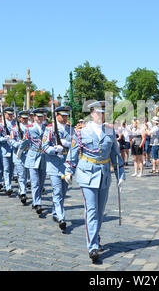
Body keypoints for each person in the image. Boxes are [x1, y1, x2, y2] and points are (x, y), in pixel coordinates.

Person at [64, 101, 125, 264]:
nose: (101, 115)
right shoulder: (81, 132)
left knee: (99, 211)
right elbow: (73, 153)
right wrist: (69, 170)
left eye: (103, 112)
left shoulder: (110, 132)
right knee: (91, 210)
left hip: (104, 175)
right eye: (98, 112)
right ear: (92, 113)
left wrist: (120, 174)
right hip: (86, 174)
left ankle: (95, 234)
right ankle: (92, 247)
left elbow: (115, 155)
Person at [42, 106, 73, 231]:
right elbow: (44, 147)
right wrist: (54, 150)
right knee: (57, 191)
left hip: (66, 165)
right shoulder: (49, 129)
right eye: (62, 115)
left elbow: (76, 145)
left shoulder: (71, 130)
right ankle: (61, 217)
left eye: (66, 115)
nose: (65, 118)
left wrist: (68, 144)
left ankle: (56, 211)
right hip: (54, 165)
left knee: (63, 192)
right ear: (56, 116)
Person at [24, 108, 48, 215]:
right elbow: (25, 142)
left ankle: (36, 200)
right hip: (33, 156)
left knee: (42, 182)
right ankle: (37, 203)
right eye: (37, 116)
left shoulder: (47, 128)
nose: (39, 118)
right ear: (34, 117)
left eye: (41, 116)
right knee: (35, 182)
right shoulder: (29, 128)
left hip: (43, 157)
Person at [9, 110, 30, 205]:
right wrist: (18, 144)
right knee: (21, 174)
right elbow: (11, 141)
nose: (25, 120)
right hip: (19, 154)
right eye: (23, 118)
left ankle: (23, 189)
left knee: (28, 175)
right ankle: (23, 192)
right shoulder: (14, 129)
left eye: (26, 118)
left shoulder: (31, 127)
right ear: (19, 118)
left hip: (29, 154)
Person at [0, 107, 16, 196]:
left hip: (14, 149)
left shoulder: (15, 124)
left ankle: (7, 183)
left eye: (12, 114)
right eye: (9, 114)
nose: (10, 115)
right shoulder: (0, 125)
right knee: (6, 168)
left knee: (11, 169)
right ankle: (8, 186)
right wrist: (4, 139)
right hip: (5, 149)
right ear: (5, 114)